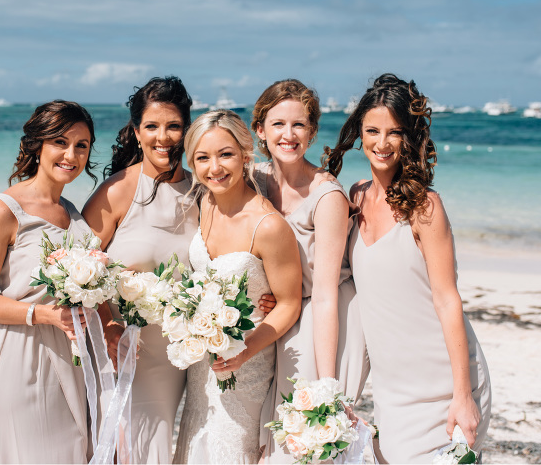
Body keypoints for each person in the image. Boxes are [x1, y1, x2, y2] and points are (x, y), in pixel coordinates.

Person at [324, 74, 492, 463]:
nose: (381, 144)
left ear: (409, 138)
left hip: (442, 382)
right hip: (392, 385)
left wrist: (463, 396)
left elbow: (448, 300)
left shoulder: (425, 207)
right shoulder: (355, 196)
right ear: (359, 132)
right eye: (372, 130)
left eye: (394, 132)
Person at [0, 100, 98, 463]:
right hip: (16, 356)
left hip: (69, 358)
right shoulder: (2, 211)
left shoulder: (73, 213)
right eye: (60, 142)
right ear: (37, 145)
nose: (71, 154)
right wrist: (46, 316)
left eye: (81, 145)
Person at [173, 109, 302, 464]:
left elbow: (290, 304)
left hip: (249, 368)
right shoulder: (205, 204)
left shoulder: (268, 226)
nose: (214, 168)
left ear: (246, 155)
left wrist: (244, 350)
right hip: (203, 369)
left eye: (225, 154)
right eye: (202, 157)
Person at [250, 79, 370, 463]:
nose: (288, 135)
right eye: (278, 124)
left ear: (313, 132)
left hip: (326, 313)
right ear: (259, 130)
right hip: (287, 311)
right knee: (276, 429)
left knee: (310, 426)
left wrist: (326, 377)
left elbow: (325, 293)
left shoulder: (328, 197)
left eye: (299, 125)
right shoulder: (252, 180)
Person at [81, 76, 199, 464]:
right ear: (136, 132)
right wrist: (108, 326)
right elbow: (75, 273)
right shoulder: (116, 192)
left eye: (174, 125)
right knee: (131, 448)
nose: (163, 137)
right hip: (126, 350)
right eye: (151, 126)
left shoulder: (205, 191)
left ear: (187, 129)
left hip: (188, 355)